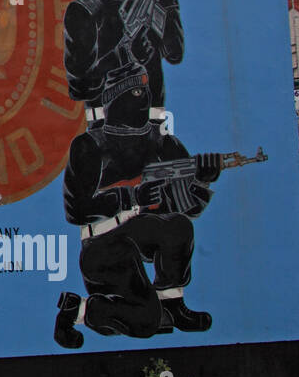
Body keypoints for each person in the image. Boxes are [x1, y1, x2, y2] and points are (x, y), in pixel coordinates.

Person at [54, 61, 223, 347]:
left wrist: (202, 181)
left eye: (145, 91)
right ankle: (78, 310)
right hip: (103, 245)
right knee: (145, 321)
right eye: (134, 93)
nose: (143, 99)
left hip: (140, 234)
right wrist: (131, 198)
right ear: (114, 99)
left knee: (178, 227)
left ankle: (172, 304)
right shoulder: (90, 146)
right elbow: (75, 210)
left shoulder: (163, 144)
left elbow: (188, 209)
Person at [63, 0, 183, 127]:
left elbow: (175, 54)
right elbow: (80, 88)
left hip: (154, 128)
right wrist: (124, 56)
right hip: (105, 132)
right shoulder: (85, 11)